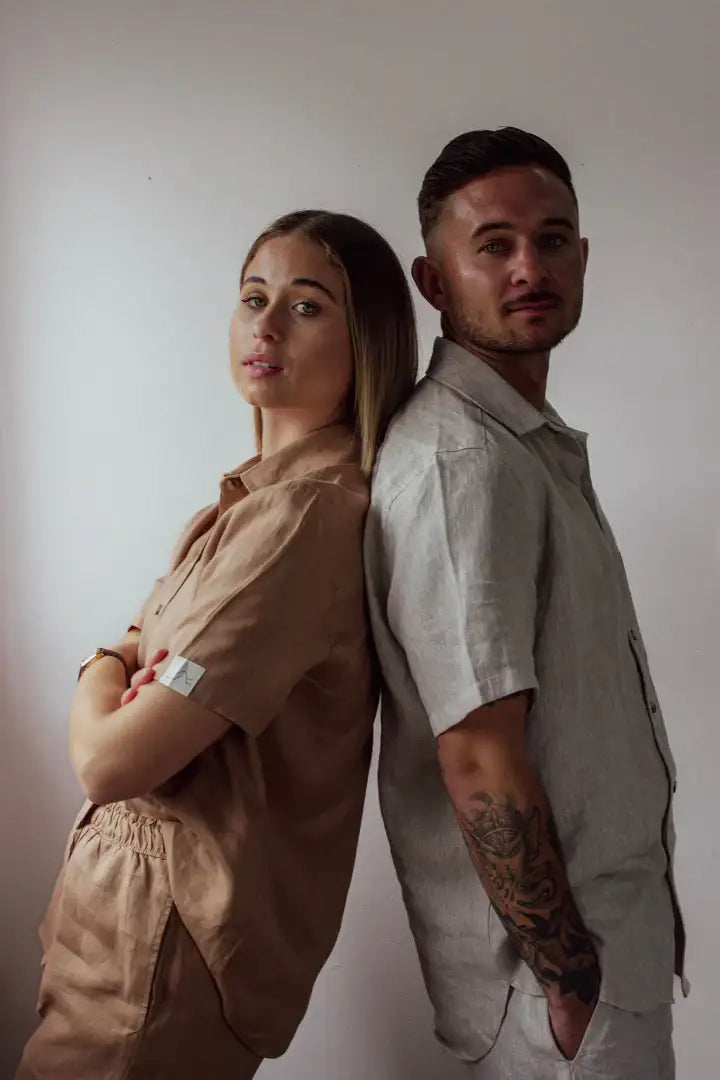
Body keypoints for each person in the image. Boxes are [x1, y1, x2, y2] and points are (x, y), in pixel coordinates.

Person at [17, 209, 418, 1080]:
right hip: (126, 934)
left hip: (162, 958)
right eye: (253, 297)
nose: (266, 326)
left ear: (369, 339)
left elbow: (111, 761)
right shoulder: (242, 507)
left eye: (307, 307)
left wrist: (99, 664)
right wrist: (124, 663)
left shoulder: (301, 519)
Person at [364, 128, 686, 1080]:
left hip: (592, 961)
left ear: (583, 257)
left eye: (552, 240)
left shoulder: (520, 446)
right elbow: (475, 750)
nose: (528, 267)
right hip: (552, 994)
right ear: (433, 282)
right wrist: (569, 974)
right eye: (493, 244)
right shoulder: (462, 464)